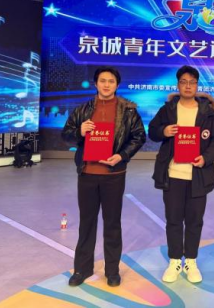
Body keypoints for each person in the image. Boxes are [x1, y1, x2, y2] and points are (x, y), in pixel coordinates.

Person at [61, 66, 146, 287]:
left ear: (117, 85)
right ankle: (82, 269)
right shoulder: (83, 110)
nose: (106, 85)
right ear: (96, 83)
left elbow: (139, 136)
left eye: (111, 81)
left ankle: (112, 271)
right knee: (86, 223)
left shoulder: (128, 111)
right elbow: (66, 134)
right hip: (87, 174)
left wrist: (122, 155)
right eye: (102, 81)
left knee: (112, 223)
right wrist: (79, 131)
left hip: (114, 175)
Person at [149, 65, 214, 283]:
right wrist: (163, 131)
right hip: (172, 174)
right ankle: (175, 260)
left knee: (194, 221)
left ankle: (190, 260)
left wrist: (206, 158)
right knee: (173, 220)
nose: (188, 86)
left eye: (192, 82)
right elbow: (152, 131)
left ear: (197, 85)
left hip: (198, 175)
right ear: (178, 85)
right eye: (184, 82)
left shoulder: (207, 112)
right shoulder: (168, 110)